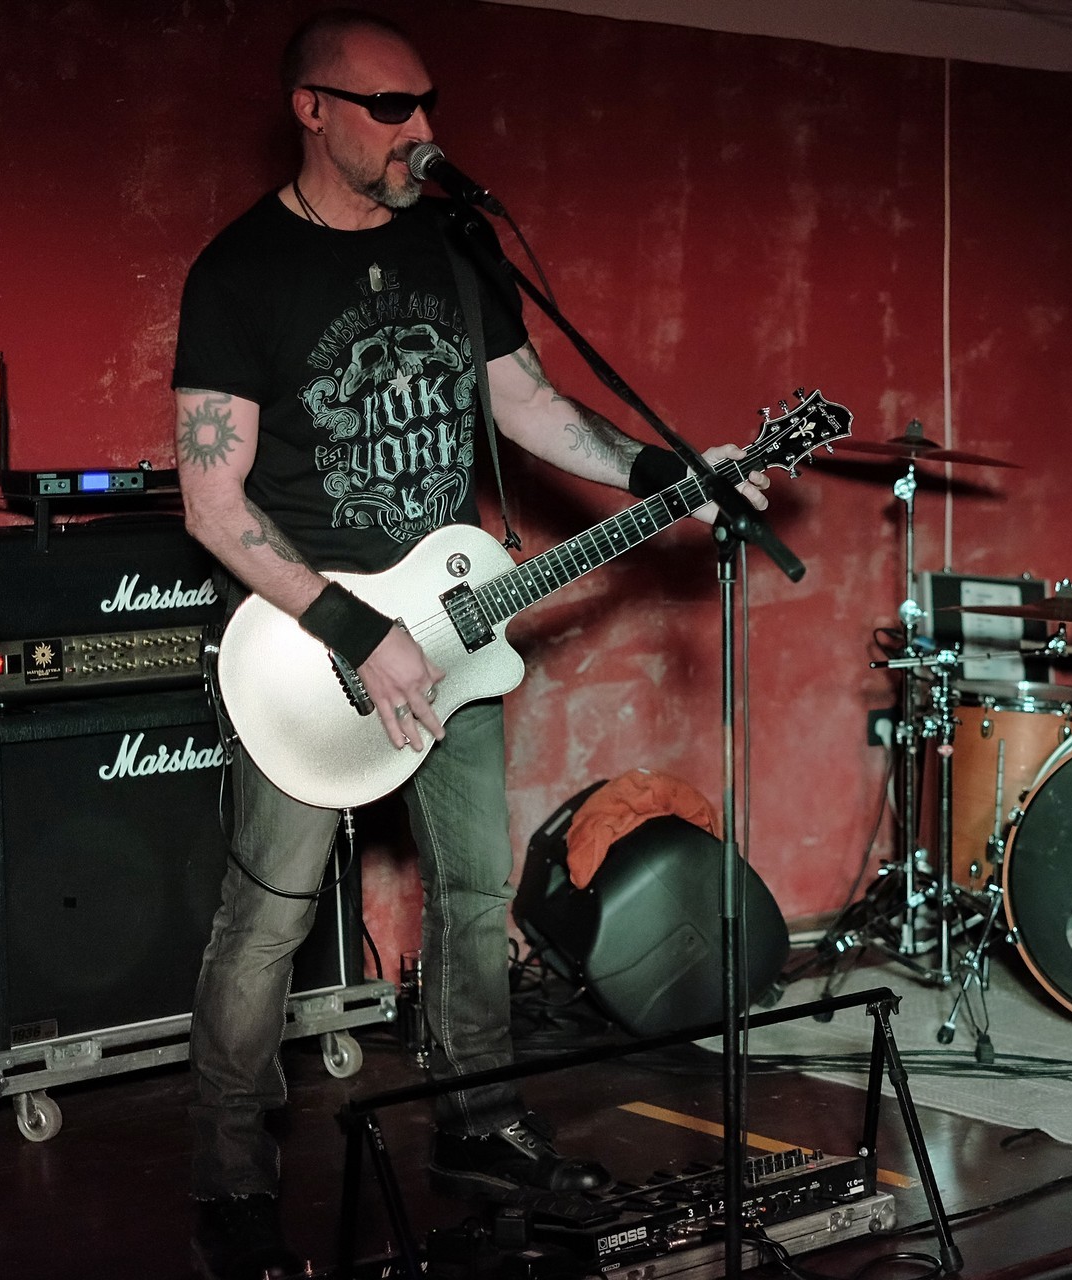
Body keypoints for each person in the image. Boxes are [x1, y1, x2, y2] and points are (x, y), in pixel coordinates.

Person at [170, 12, 766, 1278]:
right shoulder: (240, 271)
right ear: (312, 109)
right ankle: (230, 1172)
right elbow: (213, 504)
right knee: (267, 916)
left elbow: (529, 404)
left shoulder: (454, 246)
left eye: (427, 102)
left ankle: (479, 1119)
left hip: (453, 623)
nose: (422, 130)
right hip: (309, 645)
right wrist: (355, 630)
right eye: (391, 109)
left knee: (475, 887)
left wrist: (665, 472)